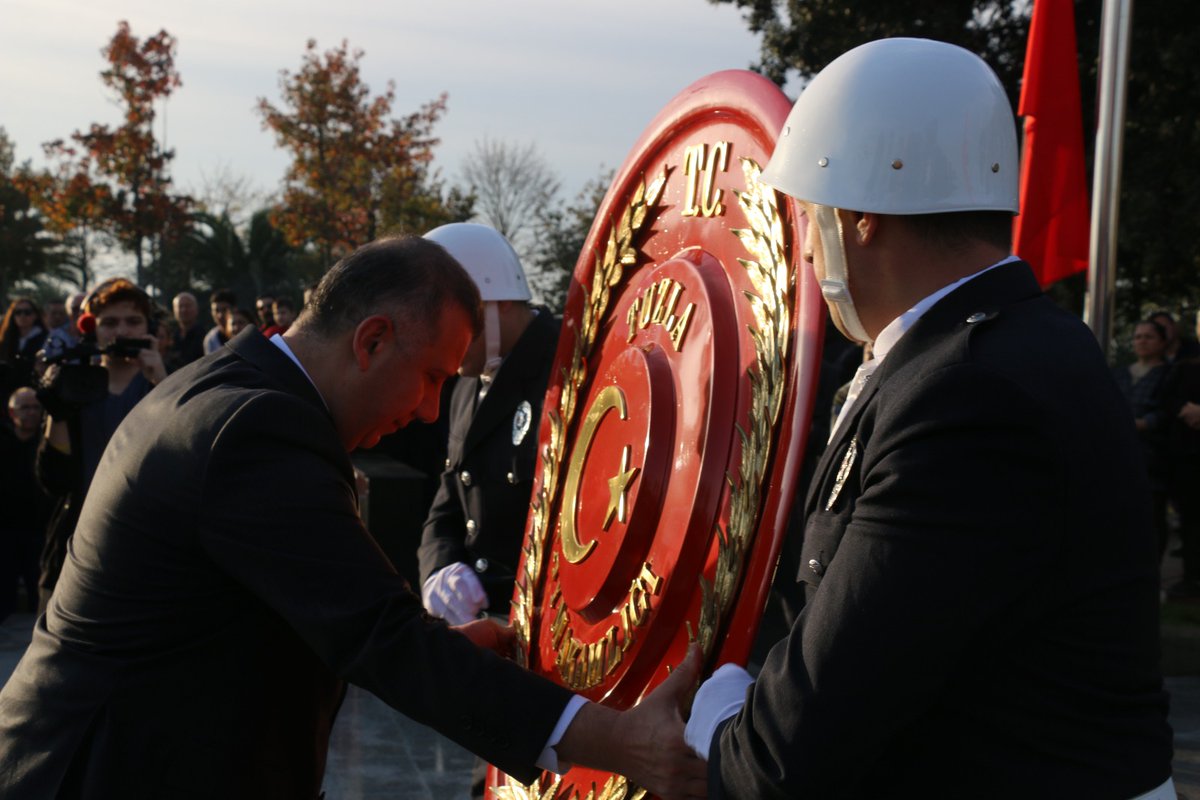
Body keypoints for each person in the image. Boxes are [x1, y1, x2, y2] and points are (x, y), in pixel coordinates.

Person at [0, 236, 707, 799]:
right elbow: (379, 638)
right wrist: (619, 742)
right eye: (433, 376)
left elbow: (289, 611)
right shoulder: (258, 428)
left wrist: (447, 647)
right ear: (371, 340)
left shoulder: (237, 390)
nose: (431, 411)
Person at [683, 38, 1173, 799]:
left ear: (861, 215)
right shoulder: (999, 350)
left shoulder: (965, 392)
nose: (807, 251)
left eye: (809, 216)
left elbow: (790, 753)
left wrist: (712, 713)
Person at [418, 223, 561, 625]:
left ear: (489, 307)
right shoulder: (466, 384)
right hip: (481, 625)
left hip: (543, 623)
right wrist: (439, 568)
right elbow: (447, 501)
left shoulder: (565, 369)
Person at [34, 278, 166, 610]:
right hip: (78, 545)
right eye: (110, 322)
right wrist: (56, 409)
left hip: (149, 547)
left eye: (133, 321)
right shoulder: (75, 386)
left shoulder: (169, 385)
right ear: (91, 329)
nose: (121, 330)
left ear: (148, 328)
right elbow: (55, 478)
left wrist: (164, 383)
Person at [1113, 320, 1172, 557]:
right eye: (1138, 337)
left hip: (1153, 456)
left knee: (1152, 516)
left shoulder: (1169, 373)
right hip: (1120, 454)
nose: (1142, 341)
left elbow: (1170, 410)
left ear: (1161, 342)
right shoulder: (1120, 373)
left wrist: (1146, 423)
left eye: (1148, 337)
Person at [0, 387, 50, 621]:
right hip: (6, 532)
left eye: (35, 407)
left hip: (39, 532)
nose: (31, 413)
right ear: (12, 413)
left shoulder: (48, 443)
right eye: (25, 407)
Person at [1163, 310, 1200, 599]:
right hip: (1189, 455)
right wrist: (1184, 409)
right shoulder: (1187, 365)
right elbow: (1169, 396)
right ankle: (1191, 577)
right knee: (1190, 518)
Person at [0, 298, 48, 398]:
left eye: (27, 312)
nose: (22, 316)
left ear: (35, 315)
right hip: (7, 392)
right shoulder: (5, 339)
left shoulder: (45, 338)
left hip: (34, 392)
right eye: (18, 312)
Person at [169, 290, 206, 370]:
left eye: (188, 306)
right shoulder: (169, 336)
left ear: (196, 309)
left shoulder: (205, 336)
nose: (184, 310)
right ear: (174, 311)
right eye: (180, 306)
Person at [202, 287, 236, 354]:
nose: (220, 315)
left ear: (234, 309)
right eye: (216, 311)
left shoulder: (245, 331)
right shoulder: (211, 340)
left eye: (224, 310)